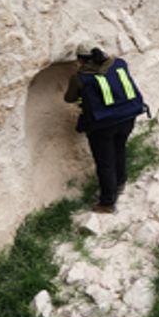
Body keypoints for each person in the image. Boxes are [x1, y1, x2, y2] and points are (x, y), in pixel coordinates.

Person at [64, 47, 148, 213]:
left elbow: (69, 98)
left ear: (81, 60)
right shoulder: (119, 64)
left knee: (105, 163)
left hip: (102, 125)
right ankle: (120, 181)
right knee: (119, 149)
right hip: (128, 117)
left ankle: (107, 203)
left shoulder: (81, 78)